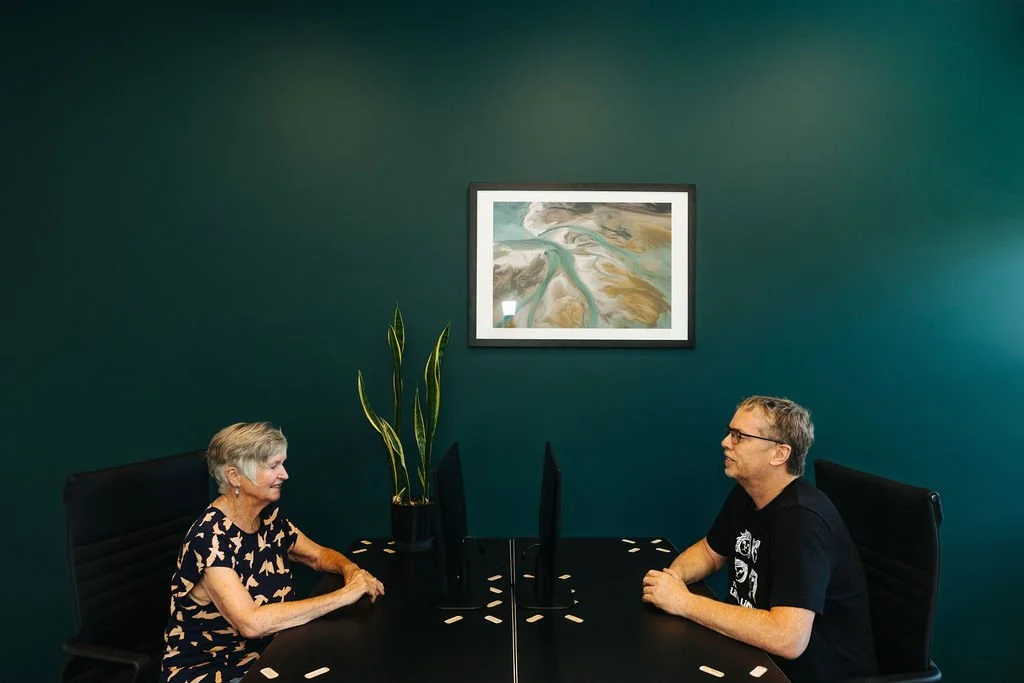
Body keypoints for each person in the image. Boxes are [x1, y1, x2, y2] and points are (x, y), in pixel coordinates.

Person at [641, 396, 878, 683]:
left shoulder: (803, 521)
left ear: (779, 454)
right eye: (730, 432)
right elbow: (709, 551)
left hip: (809, 673)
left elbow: (788, 639)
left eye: (739, 436)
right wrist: (673, 579)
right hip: (756, 654)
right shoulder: (748, 492)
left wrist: (684, 603)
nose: (725, 442)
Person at [161, 422, 385, 683]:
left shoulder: (268, 517)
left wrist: (352, 571)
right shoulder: (209, 539)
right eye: (273, 466)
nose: (285, 474)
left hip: (270, 653)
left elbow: (317, 555)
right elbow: (251, 624)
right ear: (235, 476)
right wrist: (346, 594)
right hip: (212, 669)